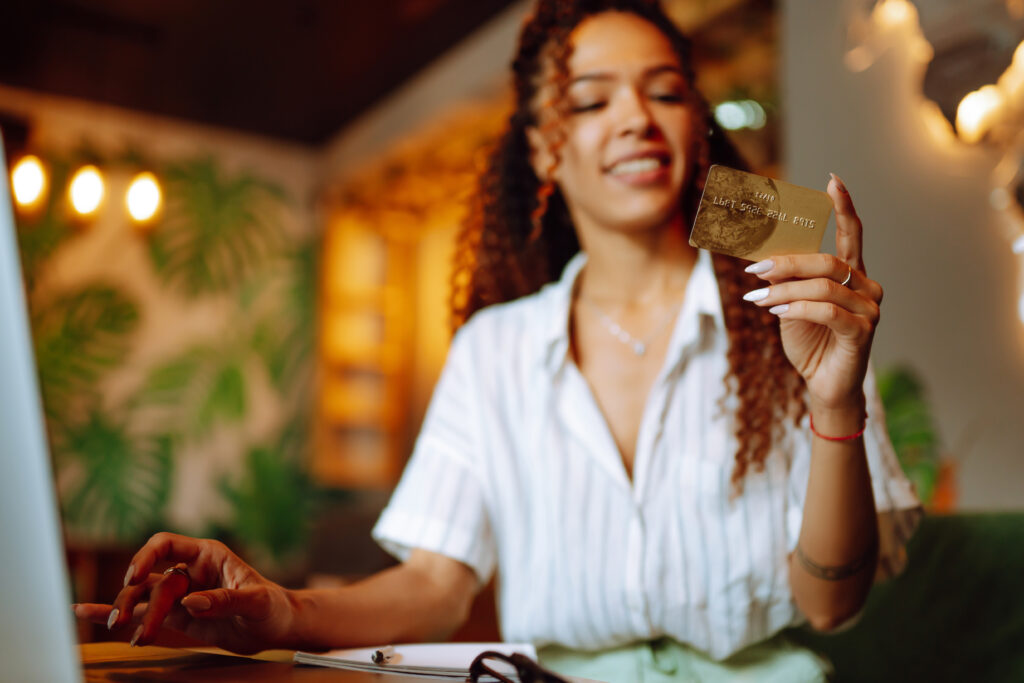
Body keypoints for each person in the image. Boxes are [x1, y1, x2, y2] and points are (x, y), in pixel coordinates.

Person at [74, 0, 922, 680]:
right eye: (591, 100)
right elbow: (438, 586)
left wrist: (834, 399)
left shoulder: (792, 312)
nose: (634, 117)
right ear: (545, 147)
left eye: (665, 91)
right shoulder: (495, 351)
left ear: (697, 128)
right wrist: (281, 609)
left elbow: (828, 604)